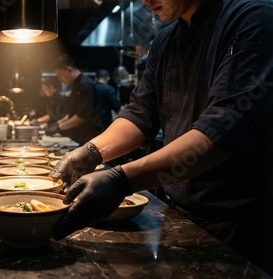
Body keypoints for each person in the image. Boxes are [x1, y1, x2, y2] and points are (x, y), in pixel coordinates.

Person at [50, 0, 273, 275]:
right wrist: (93, 151)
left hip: (240, 222)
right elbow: (140, 113)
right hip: (178, 212)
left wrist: (121, 179)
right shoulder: (166, 39)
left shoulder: (254, 18)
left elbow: (224, 130)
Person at [44, 55, 102, 145]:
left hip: (90, 137)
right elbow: (72, 113)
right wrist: (58, 123)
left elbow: (82, 116)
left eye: (60, 76)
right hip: (80, 136)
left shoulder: (85, 85)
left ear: (69, 70)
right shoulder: (76, 84)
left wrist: (59, 127)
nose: (60, 80)